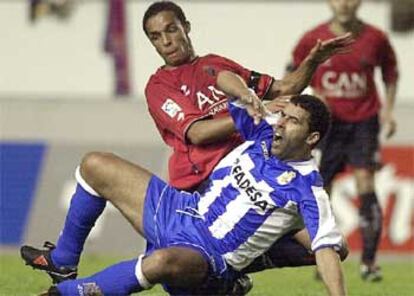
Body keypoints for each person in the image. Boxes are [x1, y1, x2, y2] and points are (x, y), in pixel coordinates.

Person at [21, 94, 348, 296]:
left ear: (312, 137)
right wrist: (254, 98)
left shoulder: (307, 187)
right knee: (96, 164)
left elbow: (329, 252)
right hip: (180, 209)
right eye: (284, 116)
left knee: (163, 261)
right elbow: (223, 81)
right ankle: (63, 262)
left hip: (205, 257)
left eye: (293, 122)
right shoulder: (262, 131)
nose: (281, 124)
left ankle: (62, 294)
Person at [142, 2, 352, 291]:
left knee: (336, 247)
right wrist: (258, 111)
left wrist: (313, 61)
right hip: (199, 187)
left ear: (186, 27)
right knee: (172, 279)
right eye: (156, 36)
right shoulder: (159, 86)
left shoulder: (215, 65)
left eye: (171, 30)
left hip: (253, 181)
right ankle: (226, 273)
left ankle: (235, 266)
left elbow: (283, 89)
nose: (166, 41)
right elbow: (200, 133)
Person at [288, 0, 399, 281]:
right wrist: (312, 94)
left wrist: (388, 110)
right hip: (327, 125)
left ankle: (370, 263)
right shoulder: (314, 38)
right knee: (321, 190)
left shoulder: (376, 38)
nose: (345, 4)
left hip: (364, 122)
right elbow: (293, 71)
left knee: (365, 182)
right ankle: (322, 259)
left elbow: (390, 73)